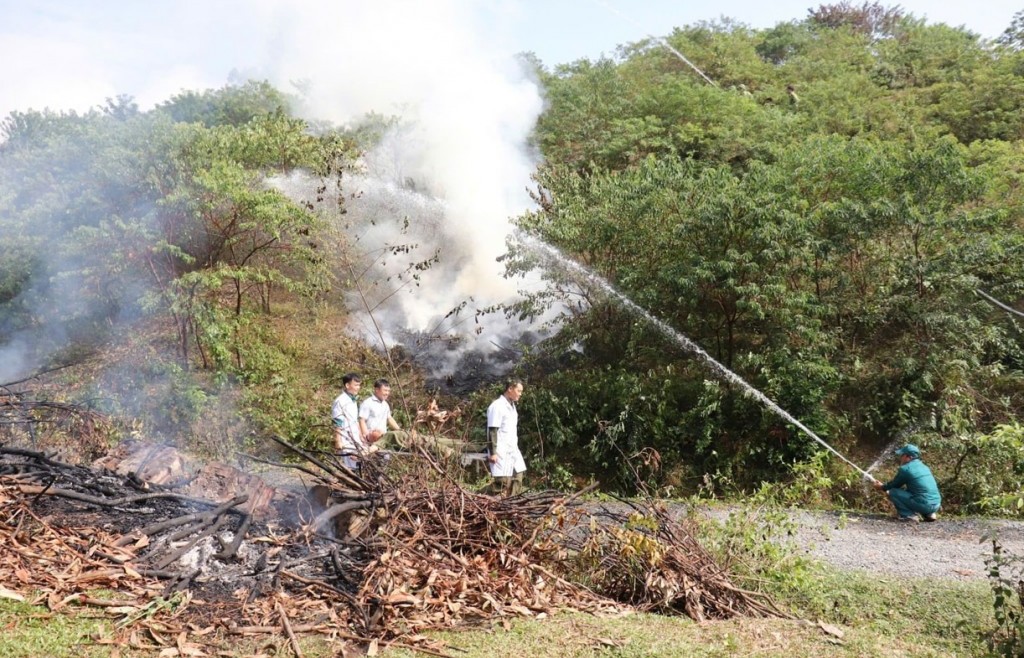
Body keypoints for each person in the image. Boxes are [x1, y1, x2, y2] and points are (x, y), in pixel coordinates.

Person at [874, 444, 941, 523]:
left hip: (925, 505)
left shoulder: (905, 469)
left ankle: (909, 515)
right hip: (936, 504)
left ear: (909, 457)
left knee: (892, 492)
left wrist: (881, 486)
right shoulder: (924, 466)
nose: (900, 458)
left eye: (902, 455)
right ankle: (930, 514)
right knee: (913, 492)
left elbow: (893, 486)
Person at [486, 379, 526, 497]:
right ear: (510, 389)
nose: (520, 394)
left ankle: (512, 503)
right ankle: (476, 495)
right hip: (500, 449)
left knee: (519, 474)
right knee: (503, 483)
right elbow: (492, 430)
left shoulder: (512, 407)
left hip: (512, 448)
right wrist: (493, 452)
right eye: (518, 391)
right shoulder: (497, 406)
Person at [331, 373, 368, 470]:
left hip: (355, 438)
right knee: (350, 466)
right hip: (345, 439)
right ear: (347, 385)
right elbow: (337, 422)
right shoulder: (340, 401)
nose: (358, 387)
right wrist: (338, 440)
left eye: (359, 385)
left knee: (360, 463)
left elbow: (355, 420)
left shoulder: (353, 400)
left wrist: (360, 435)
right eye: (356, 385)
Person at [359, 379, 408, 448]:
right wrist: (367, 437)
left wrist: (399, 430)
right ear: (377, 390)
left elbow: (389, 418)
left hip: (383, 440)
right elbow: (362, 420)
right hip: (371, 440)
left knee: (384, 458)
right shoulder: (367, 403)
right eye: (385, 390)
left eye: (388, 391)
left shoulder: (385, 404)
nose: (387, 393)